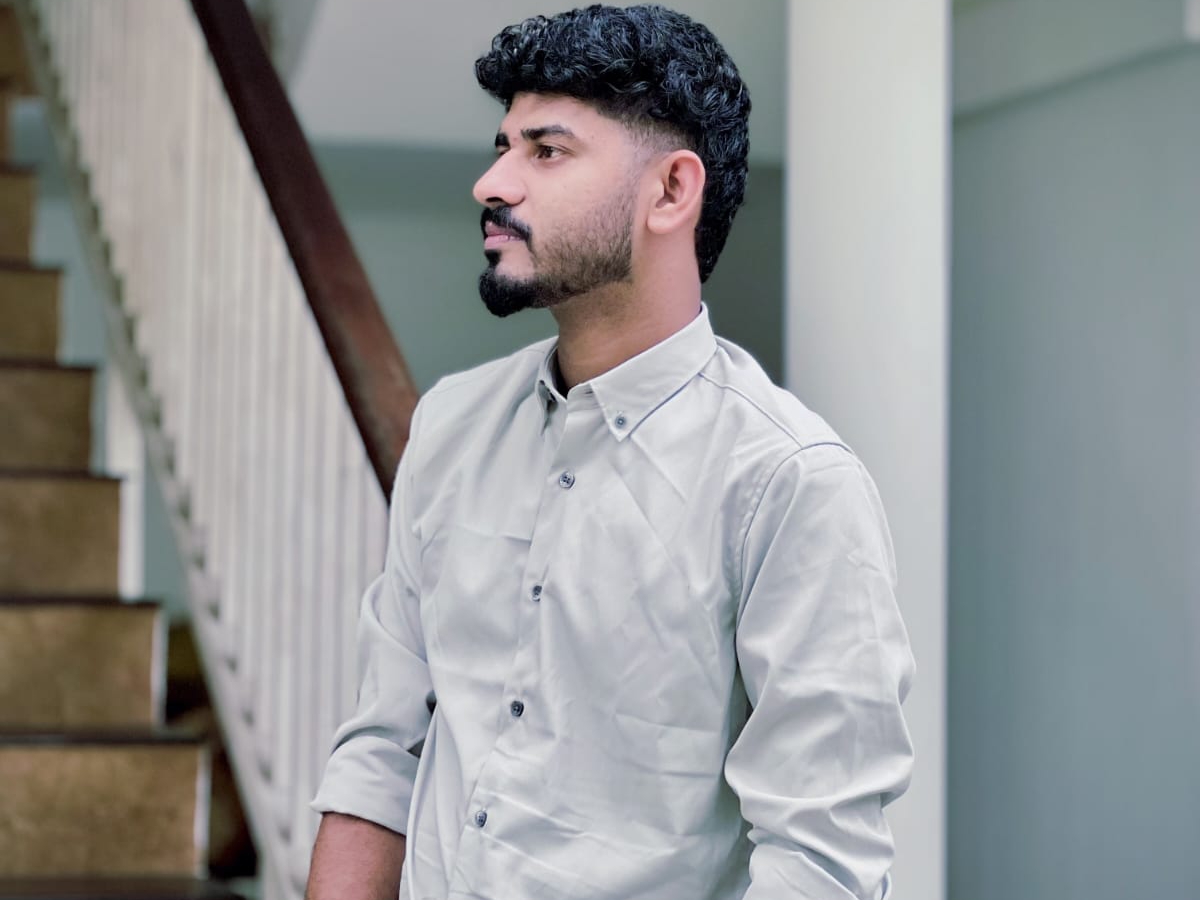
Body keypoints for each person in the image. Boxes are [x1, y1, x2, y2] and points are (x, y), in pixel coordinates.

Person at [306, 5, 915, 899]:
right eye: (503, 146)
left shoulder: (790, 483)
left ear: (671, 191)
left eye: (546, 151)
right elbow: (382, 753)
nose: (491, 183)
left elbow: (819, 860)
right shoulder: (451, 426)